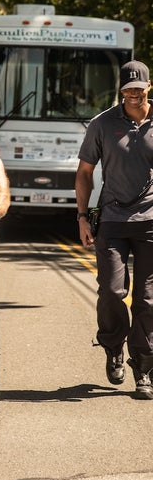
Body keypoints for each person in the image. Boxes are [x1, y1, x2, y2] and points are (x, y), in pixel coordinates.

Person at [76, 60, 153, 400]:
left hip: (151, 222)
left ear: (148, 87)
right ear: (120, 91)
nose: (133, 96)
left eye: (139, 89)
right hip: (112, 219)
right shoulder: (102, 124)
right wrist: (81, 216)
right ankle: (112, 346)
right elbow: (84, 172)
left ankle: (144, 368)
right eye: (127, 90)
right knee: (111, 290)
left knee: (148, 300)